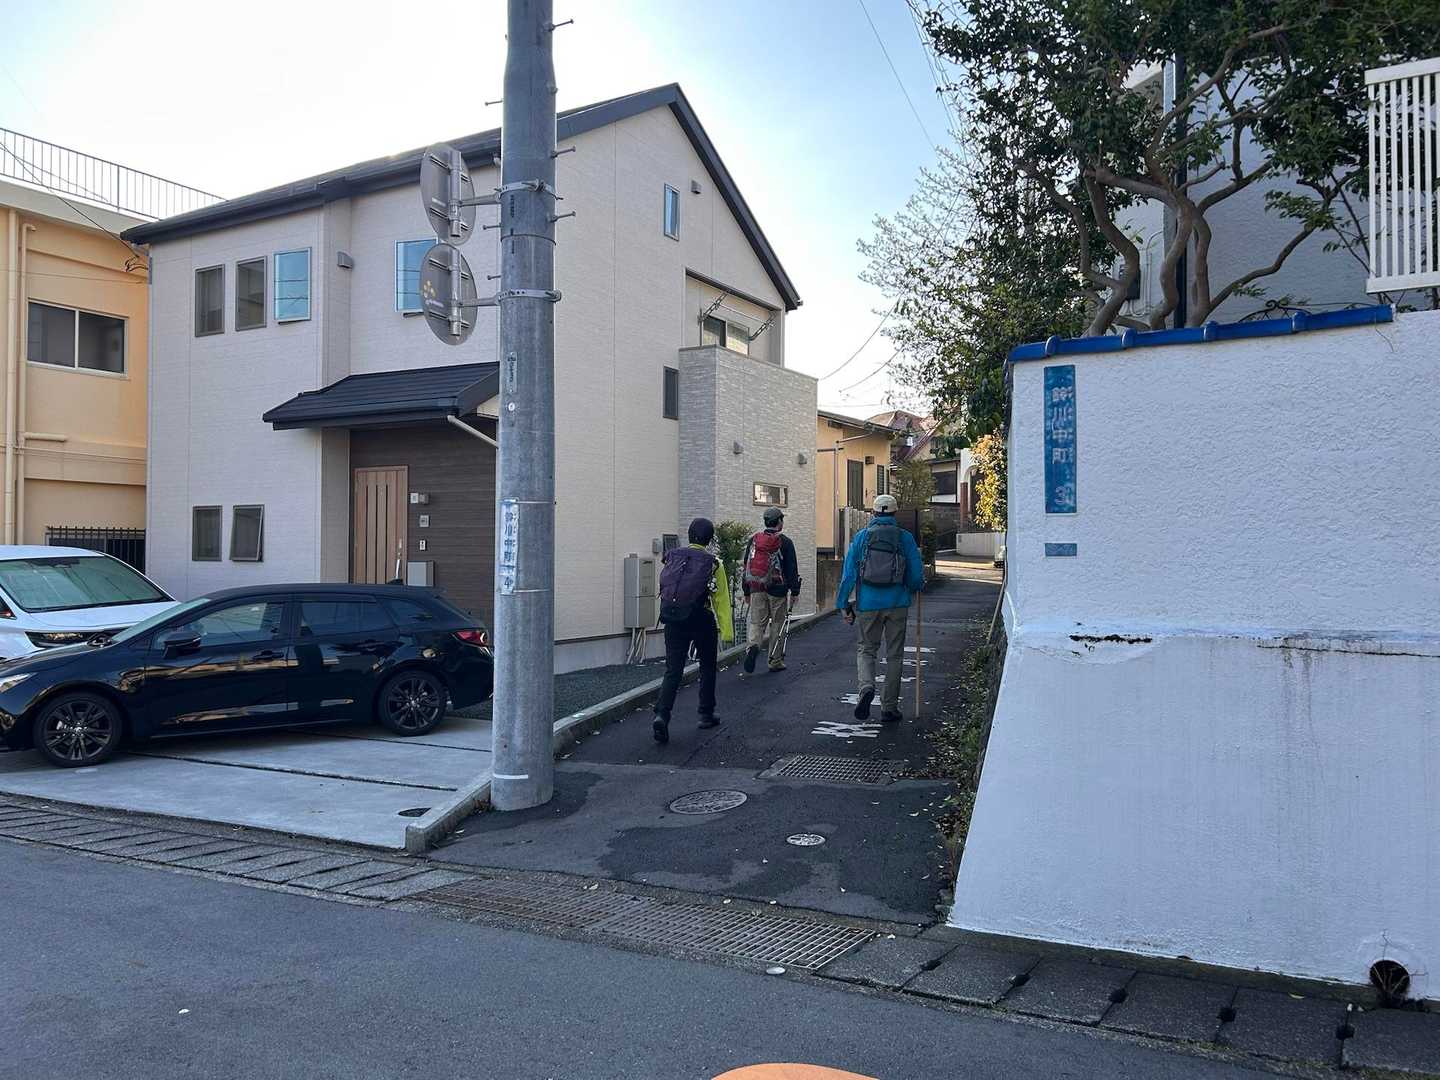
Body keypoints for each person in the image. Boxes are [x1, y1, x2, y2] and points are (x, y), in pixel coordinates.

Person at [835, 494, 925, 723]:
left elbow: (848, 575)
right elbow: (916, 575)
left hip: (868, 604)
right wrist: (915, 586)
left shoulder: (862, 537)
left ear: (873, 513)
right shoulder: (905, 538)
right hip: (897, 604)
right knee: (894, 655)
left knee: (867, 649)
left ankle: (866, 687)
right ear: (895, 513)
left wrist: (843, 604)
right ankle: (889, 707)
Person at [652, 517, 734, 744]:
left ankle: (662, 714)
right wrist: (727, 632)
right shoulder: (714, 563)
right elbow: (721, 600)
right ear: (709, 539)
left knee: (673, 669)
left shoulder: (673, 557)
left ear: (689, 536)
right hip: (700, 617)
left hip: (673, 618)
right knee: (707, 666)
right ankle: (706, 714)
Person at [741, 506, 802, 674]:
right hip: (778, 589)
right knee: (777, 624)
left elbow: (747, 565)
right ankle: (775, 661)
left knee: (757, 623)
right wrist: (794, 591)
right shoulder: (785, 542)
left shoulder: (754, 540)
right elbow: (791, 568)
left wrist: (746, 590)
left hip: (756, 587)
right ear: (779, 522)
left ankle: (753, 647)